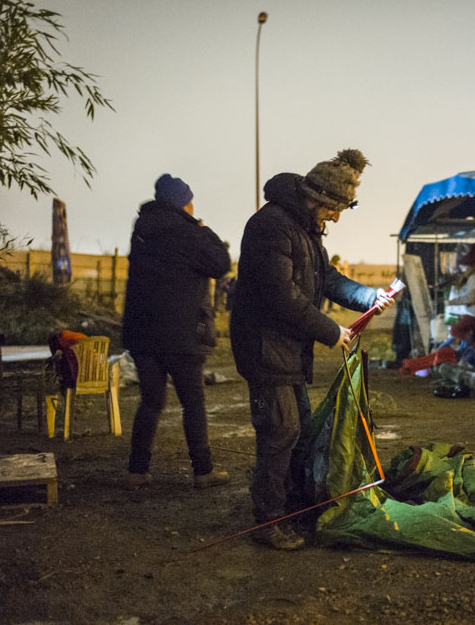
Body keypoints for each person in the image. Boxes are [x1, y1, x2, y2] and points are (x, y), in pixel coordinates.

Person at [230, 149, 394, 550]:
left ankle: (291, 508)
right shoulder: (271, 226)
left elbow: (327, 279)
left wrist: (369, 296)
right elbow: (280, 295)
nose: (336, 218)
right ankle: (269, 520)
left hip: (287, 349)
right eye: (334, 209)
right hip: (265, 348)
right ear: (317, 199)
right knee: (279, 432)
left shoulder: (305, 229)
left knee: (297, 431)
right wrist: (330, 331)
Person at [122, 174, 232, 490]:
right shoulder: (190, 233)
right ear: (183, 202)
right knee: (192, 402)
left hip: (143, 333)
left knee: (151, 402)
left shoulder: (141, 231)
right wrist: (203, 228)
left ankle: (137, 470)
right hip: (183, 335)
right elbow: (220, 264)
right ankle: (202, 470)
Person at [440, 244, 475, 369]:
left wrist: (452, 302)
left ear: (469, 266)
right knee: (473, 338)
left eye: (464, 266)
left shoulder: (474, 278)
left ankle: (462, 354)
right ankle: (471, 358)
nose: (463, 270)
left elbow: (470, 297)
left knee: (456, 330)